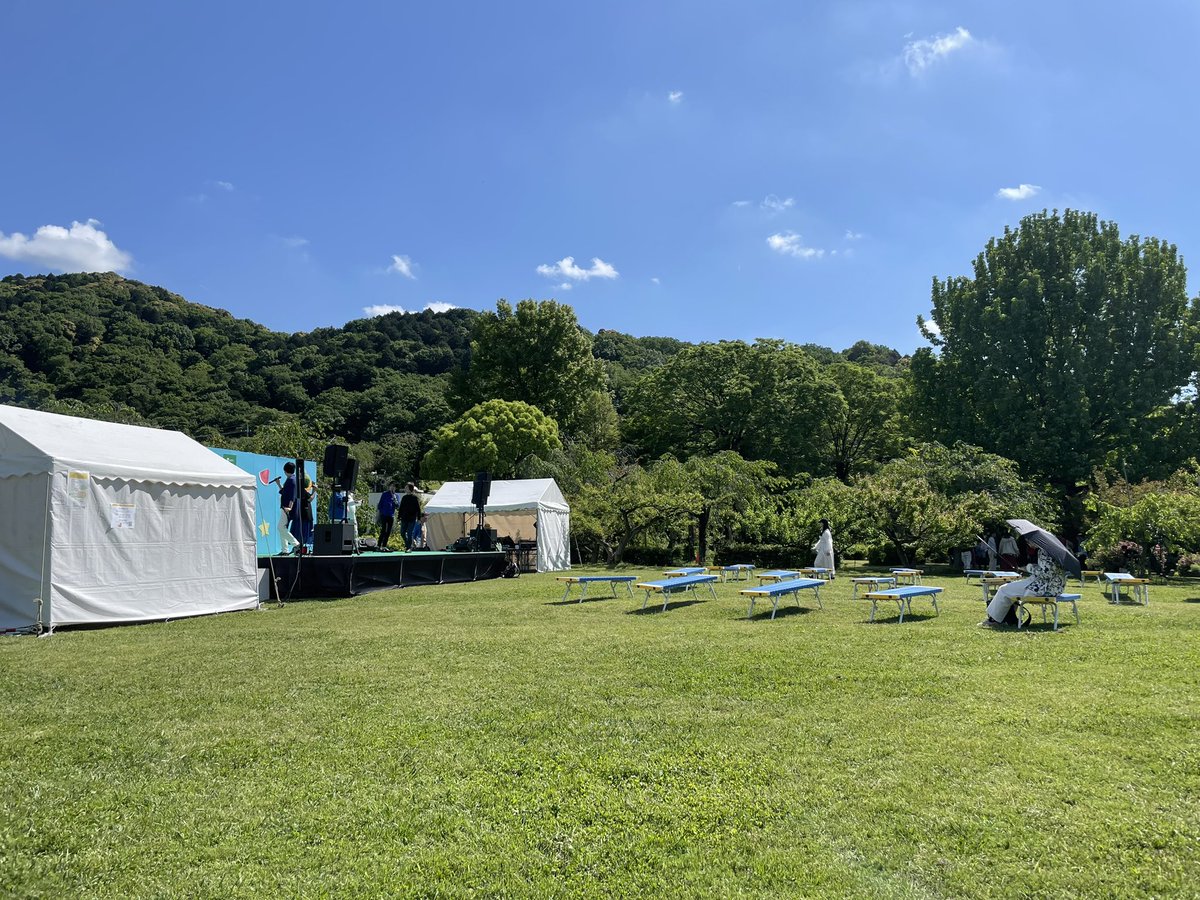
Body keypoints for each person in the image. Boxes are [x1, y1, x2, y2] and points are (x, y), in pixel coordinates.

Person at [980, 547, 1067, 628]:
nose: (1028, 543)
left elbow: (1047, 573)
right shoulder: (1054, 551)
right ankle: (1007, 619)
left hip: (1044, 588)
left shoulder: (1044, 552)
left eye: (1029, 541)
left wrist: (1028, 568)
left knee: (1004, 589)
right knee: (1009, 589)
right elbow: (1049, 570)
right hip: (1055, 588)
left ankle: (994, 620)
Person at [278, 462, 301, 554]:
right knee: (282, 527)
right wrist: (279, 484)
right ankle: (284, 550)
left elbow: (292, 495)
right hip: (285, 507)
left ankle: (296, 544)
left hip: (287, 508)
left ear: (285, 470)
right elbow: (284, 492)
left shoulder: (292, 480)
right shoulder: (291, 479)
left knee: (280, 527)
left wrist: (290, 507)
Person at [398, 482, 422, 551]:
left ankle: (409, 547)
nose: (405, 488)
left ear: (410, 489)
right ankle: (407, 544)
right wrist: (399, 517)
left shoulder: (415, 498)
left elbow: (418, 508)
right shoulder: (404, 497)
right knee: (402, 532)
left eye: (406, 487)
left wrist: (419, 518)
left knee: (409, 533)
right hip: (404, 518)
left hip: (412, 518)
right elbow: (401, 508)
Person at [377, 484, 397, 551]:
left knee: (388, 531)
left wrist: (395, 500)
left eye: (393, 486)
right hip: (384, 515)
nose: (392, 487)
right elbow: (380, 504)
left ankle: (384, 545)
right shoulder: (385, 494)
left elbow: (397, 505)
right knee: (383, 530)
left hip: (391, 515)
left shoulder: (396, 496)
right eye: (391, 486)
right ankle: (379, 545)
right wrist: (381, 513)